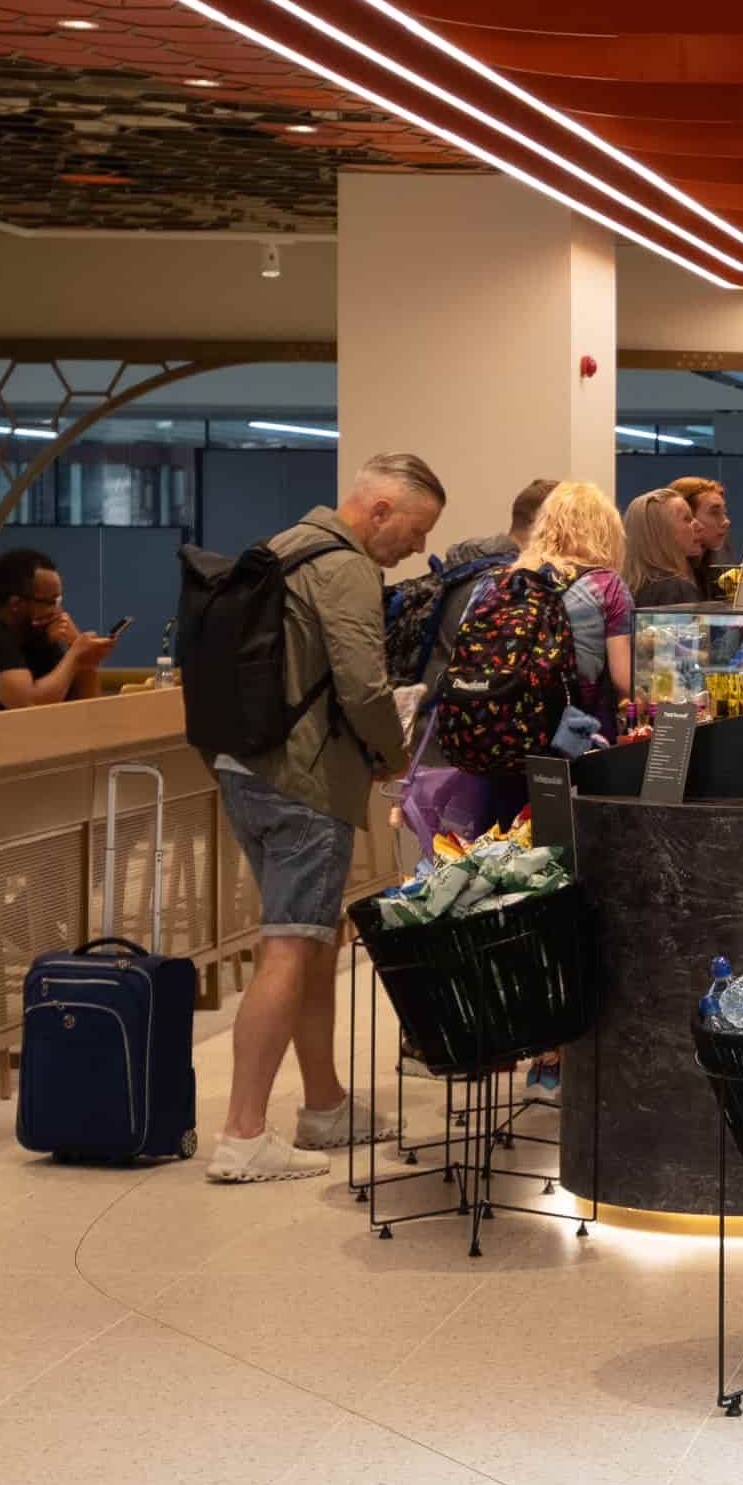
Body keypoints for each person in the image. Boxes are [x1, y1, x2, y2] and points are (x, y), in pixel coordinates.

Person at [209, 451, 443, 1181]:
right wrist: (395, 754)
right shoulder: (344, 567)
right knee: (288, 944)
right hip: (306, 780)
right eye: (414, 528)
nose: (417, 547)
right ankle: (243, 1135)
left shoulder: (282, 546)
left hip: (247, 762)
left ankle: (324, 1107)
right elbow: (364, 686)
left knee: (312, 938)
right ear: (379, 510)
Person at [395, 477, 630, 848]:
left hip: (500, 741)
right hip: (574, 745)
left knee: (502, 856)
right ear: (605, 532)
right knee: (574, 857)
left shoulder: (495, 581)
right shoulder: (606, 584)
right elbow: (622, 679)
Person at [387, 475, 554, 686]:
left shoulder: (467, 564)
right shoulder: (504, 585)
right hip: (455, 711)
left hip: (433, 701)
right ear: (543, 525)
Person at [0, 547, 114, 709]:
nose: (58, 611)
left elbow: (87, 707)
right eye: (50, 602)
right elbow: (28, 704)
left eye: (58, 600)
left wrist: (82, 657)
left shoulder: (37, 636)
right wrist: (74, 656)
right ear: (16, 604)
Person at [625, 475, 726, 607]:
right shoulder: (676, 589)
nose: (698, 526)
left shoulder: (629, 586)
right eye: (687, 519)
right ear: (661, 531)